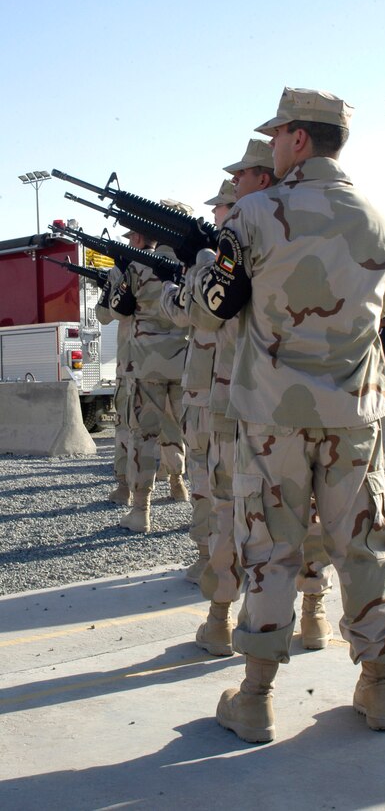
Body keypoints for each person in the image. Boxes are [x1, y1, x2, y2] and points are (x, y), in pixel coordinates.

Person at [190, 87, 385, 742]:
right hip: (355, 414)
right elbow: (383, 306)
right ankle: (379, 686)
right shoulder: (379, 217)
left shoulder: (253, 213)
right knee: (361, 547)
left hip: (274, 415)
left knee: (271, 548)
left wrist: (204, 261)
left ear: (300, 139)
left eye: (278, 135)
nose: (274, 145)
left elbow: (209, 306)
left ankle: (254, 698)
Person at [188, 143, 334, 657]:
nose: (236, 185)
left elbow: (208, 313)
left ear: (261, 175)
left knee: (236, 511)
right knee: (311, 507)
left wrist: (200, 265)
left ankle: (222, 618)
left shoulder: (248, 228)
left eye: (242, 175)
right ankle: (314, 612)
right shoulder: (306, 226)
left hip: (243, 400)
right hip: (314, 400)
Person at [109, 225, 189, 532]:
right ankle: (186, 491)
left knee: (143, 435)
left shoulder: (137, 265)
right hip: (186, 361)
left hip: (147, 363)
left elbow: (118, 310)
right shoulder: (192, 263)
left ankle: (141, 510)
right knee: (191, 435)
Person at [95, 230, 156, 506]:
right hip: (174, 360)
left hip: (133, 361)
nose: (130, 242)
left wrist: (114, 278)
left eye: (132, 238)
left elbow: (105, 315)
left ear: (139, 240)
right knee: (168, 427)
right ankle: (177, 483)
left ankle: (125, 488)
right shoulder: (176, 266)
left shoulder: (128, 270)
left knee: (128, 426)